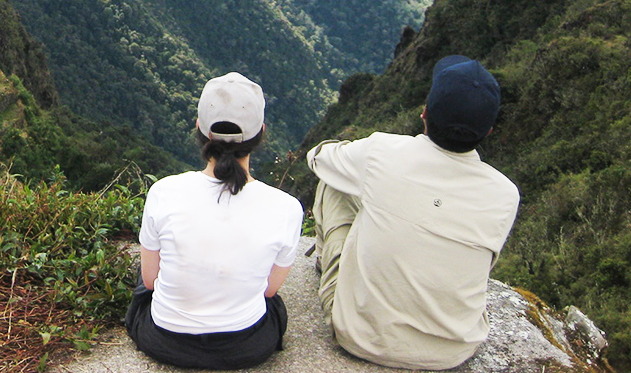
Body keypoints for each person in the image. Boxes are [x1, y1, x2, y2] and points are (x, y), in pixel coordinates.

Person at [306, 55, 520, 370]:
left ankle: (331, 266)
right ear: (488, 131)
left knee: (335, 182)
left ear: (424, 113)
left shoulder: (382, 151)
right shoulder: (505, 194)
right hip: (452, 351)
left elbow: (319, 158)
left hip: (362, 337)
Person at [126, 71, 304, 369]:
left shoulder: (164, 192)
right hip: (245, 347)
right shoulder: (286, 208)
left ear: (201, 129)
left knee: (142, 283)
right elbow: (269, 290)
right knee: (272, 306)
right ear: (261, 132)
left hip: (166, 340)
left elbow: (149, 280)